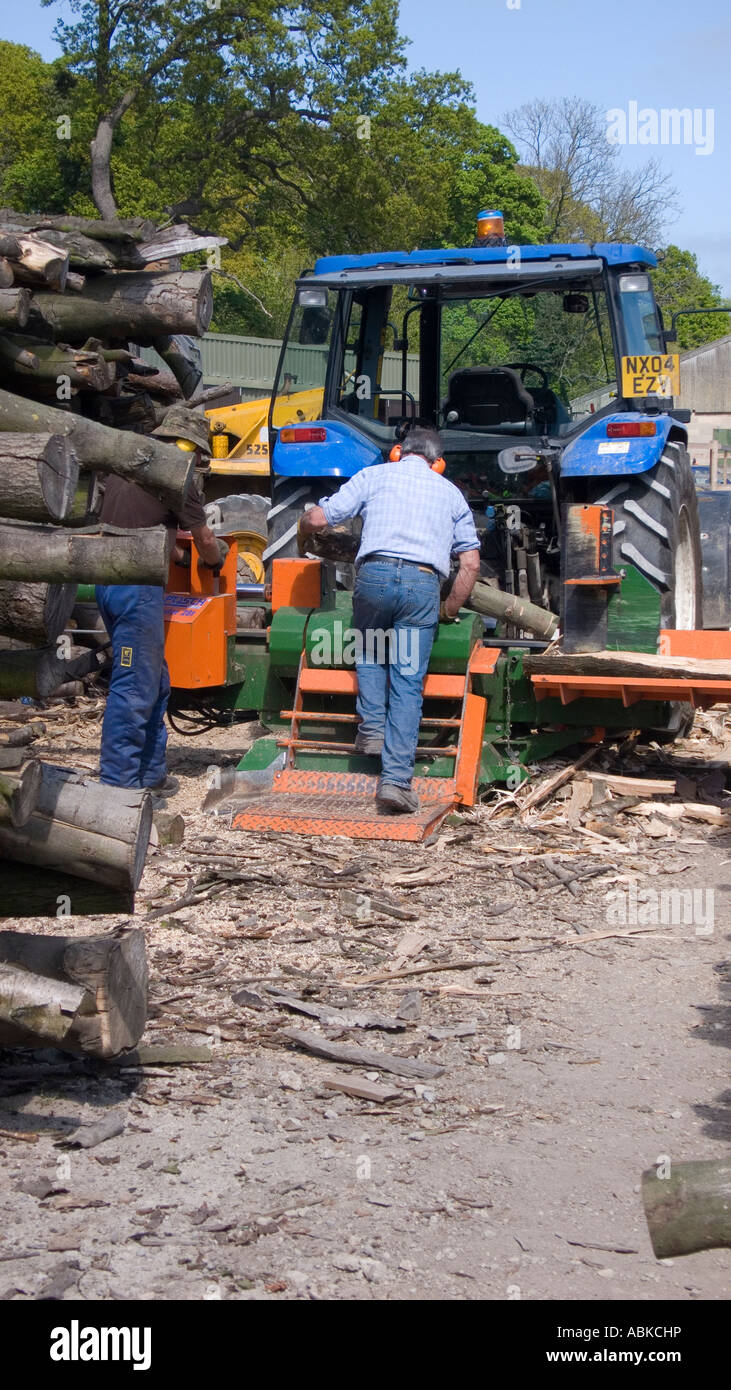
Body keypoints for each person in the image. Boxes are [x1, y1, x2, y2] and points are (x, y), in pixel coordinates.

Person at [298, 426, 480, 814]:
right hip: (422, 586)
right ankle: (395, 782)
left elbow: (318, 518)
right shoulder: (451, 493)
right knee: (408, 681)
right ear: (438, 464)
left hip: (375, 580)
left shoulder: (374, 475)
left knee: (371, 651)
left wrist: (302, 527)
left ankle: (373, 730)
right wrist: (449, 609)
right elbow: (470, 562)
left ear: (398, 452)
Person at [95, 406, 227, 796]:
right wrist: (214, 561)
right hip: (137, 588)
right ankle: (117, 787)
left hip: (109, 581)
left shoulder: (130, 466)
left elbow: (145, 526)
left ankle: (150, 774)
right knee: (135, 686)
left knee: (156, 681)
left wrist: (178, 558)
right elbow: (205, 540)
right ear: (193, 451)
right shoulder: (176, 473)